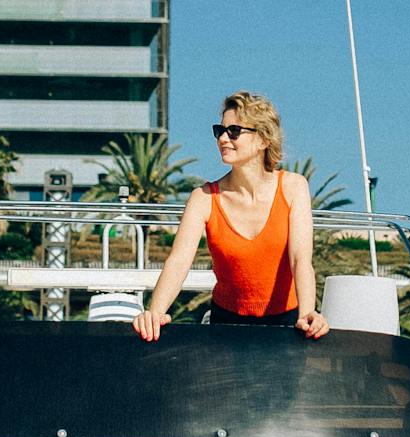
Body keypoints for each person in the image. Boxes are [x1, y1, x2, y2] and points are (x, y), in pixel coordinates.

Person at [133, 91, 329, 341]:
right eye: (220, 130)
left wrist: (308, 312)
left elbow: (300, 259)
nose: (224, 138)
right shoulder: (203, 198)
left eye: (234, 131)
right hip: (226, 324)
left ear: (263, 139)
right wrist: (154, 312)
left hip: (287, 323)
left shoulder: (294, 187)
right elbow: (179, 262)